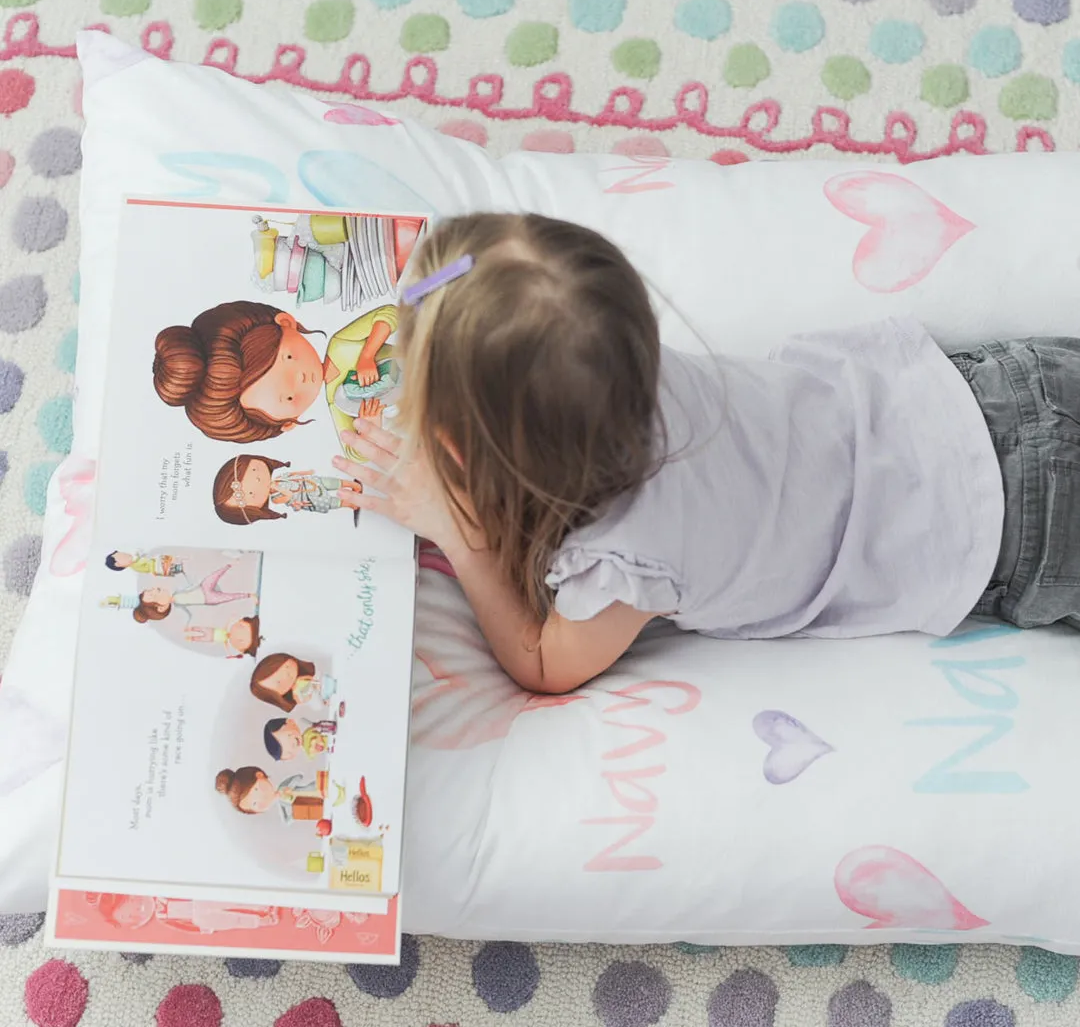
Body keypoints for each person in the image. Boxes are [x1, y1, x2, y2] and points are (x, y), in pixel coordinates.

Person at [330, 212, 1080, 696]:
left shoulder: (626, 562)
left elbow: (543, 662)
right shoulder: (620, 368)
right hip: (995, 388)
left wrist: (461, 533)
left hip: (1021, 534)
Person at [153, 301, 392, 444]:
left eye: (288, 358)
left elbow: (389, 314)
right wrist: (372, 425)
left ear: (286, 322)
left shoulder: (341, 345)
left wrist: (368, 355)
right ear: (286, 425)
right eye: (288, 398)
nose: (299, 378)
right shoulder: (338, 404)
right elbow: (355, 452)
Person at [212, 455, 363, 524]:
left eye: (252, 471)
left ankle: (354, 486)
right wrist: (276, 488)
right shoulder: (276, 498)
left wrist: (306, 473)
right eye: (250, 494)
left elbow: (292, 475)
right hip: (308, 498)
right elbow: (289, 495)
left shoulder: (280, 478)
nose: (257, 480)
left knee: (330, 482)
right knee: (330, 502)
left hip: (308, 482)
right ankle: (351, 504)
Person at [131, 564, 256, 624]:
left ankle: (230, 565)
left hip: (202, 588)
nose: (156, 589)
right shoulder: (178, 604)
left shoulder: (176, 592)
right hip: (208, 599)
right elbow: (188, 613)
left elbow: (188, 584)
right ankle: (249, 595)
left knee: (213, 576)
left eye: (154, 589)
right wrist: (188, 623)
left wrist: (183, 571)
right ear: (161, 607)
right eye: (154, 594)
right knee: (227, 597)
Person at [214, 766, 323, 822]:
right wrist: (296, 814)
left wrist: (289, 787)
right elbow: (287, 820)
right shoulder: (281, 803)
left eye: (256, 790)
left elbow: (299, 777)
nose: (261, 800)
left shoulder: (283, 788)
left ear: (259, 775)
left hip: (318, 789)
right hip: (318, 807)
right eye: (255, 804)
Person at [249, 652, 336, 712]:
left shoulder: (315, 662)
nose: (285, 676)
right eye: (279, 682)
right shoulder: (298, 692)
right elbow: (318, 706)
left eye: (285, 667)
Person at [184, 615, 261, 659]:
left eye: (240, 640)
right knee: (201, 629)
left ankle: (191, 637)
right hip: (213, 632)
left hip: (212, 638)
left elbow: (226, 645)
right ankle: (190, 630)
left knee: (201, 638)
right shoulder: (226, 631)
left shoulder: (226, 641)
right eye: (240, 626)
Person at [263, 716, 337, 760]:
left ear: (290, 722)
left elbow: (319, 732)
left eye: (289, 735)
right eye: (290, 754)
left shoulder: (309, 733)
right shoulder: (307, 749)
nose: (293, 746)